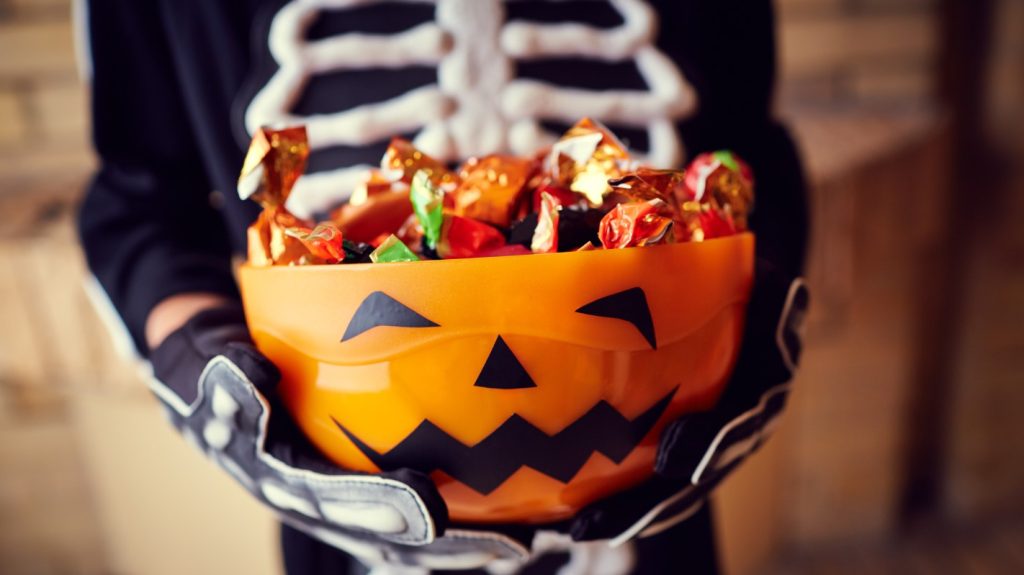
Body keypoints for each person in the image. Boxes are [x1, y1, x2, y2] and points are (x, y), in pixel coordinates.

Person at [78, 1, 808, 573]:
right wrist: (206, 367)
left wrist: (750, 325)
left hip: (656, 481)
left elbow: (751, 151)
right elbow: (140, 204)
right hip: (348, 515)